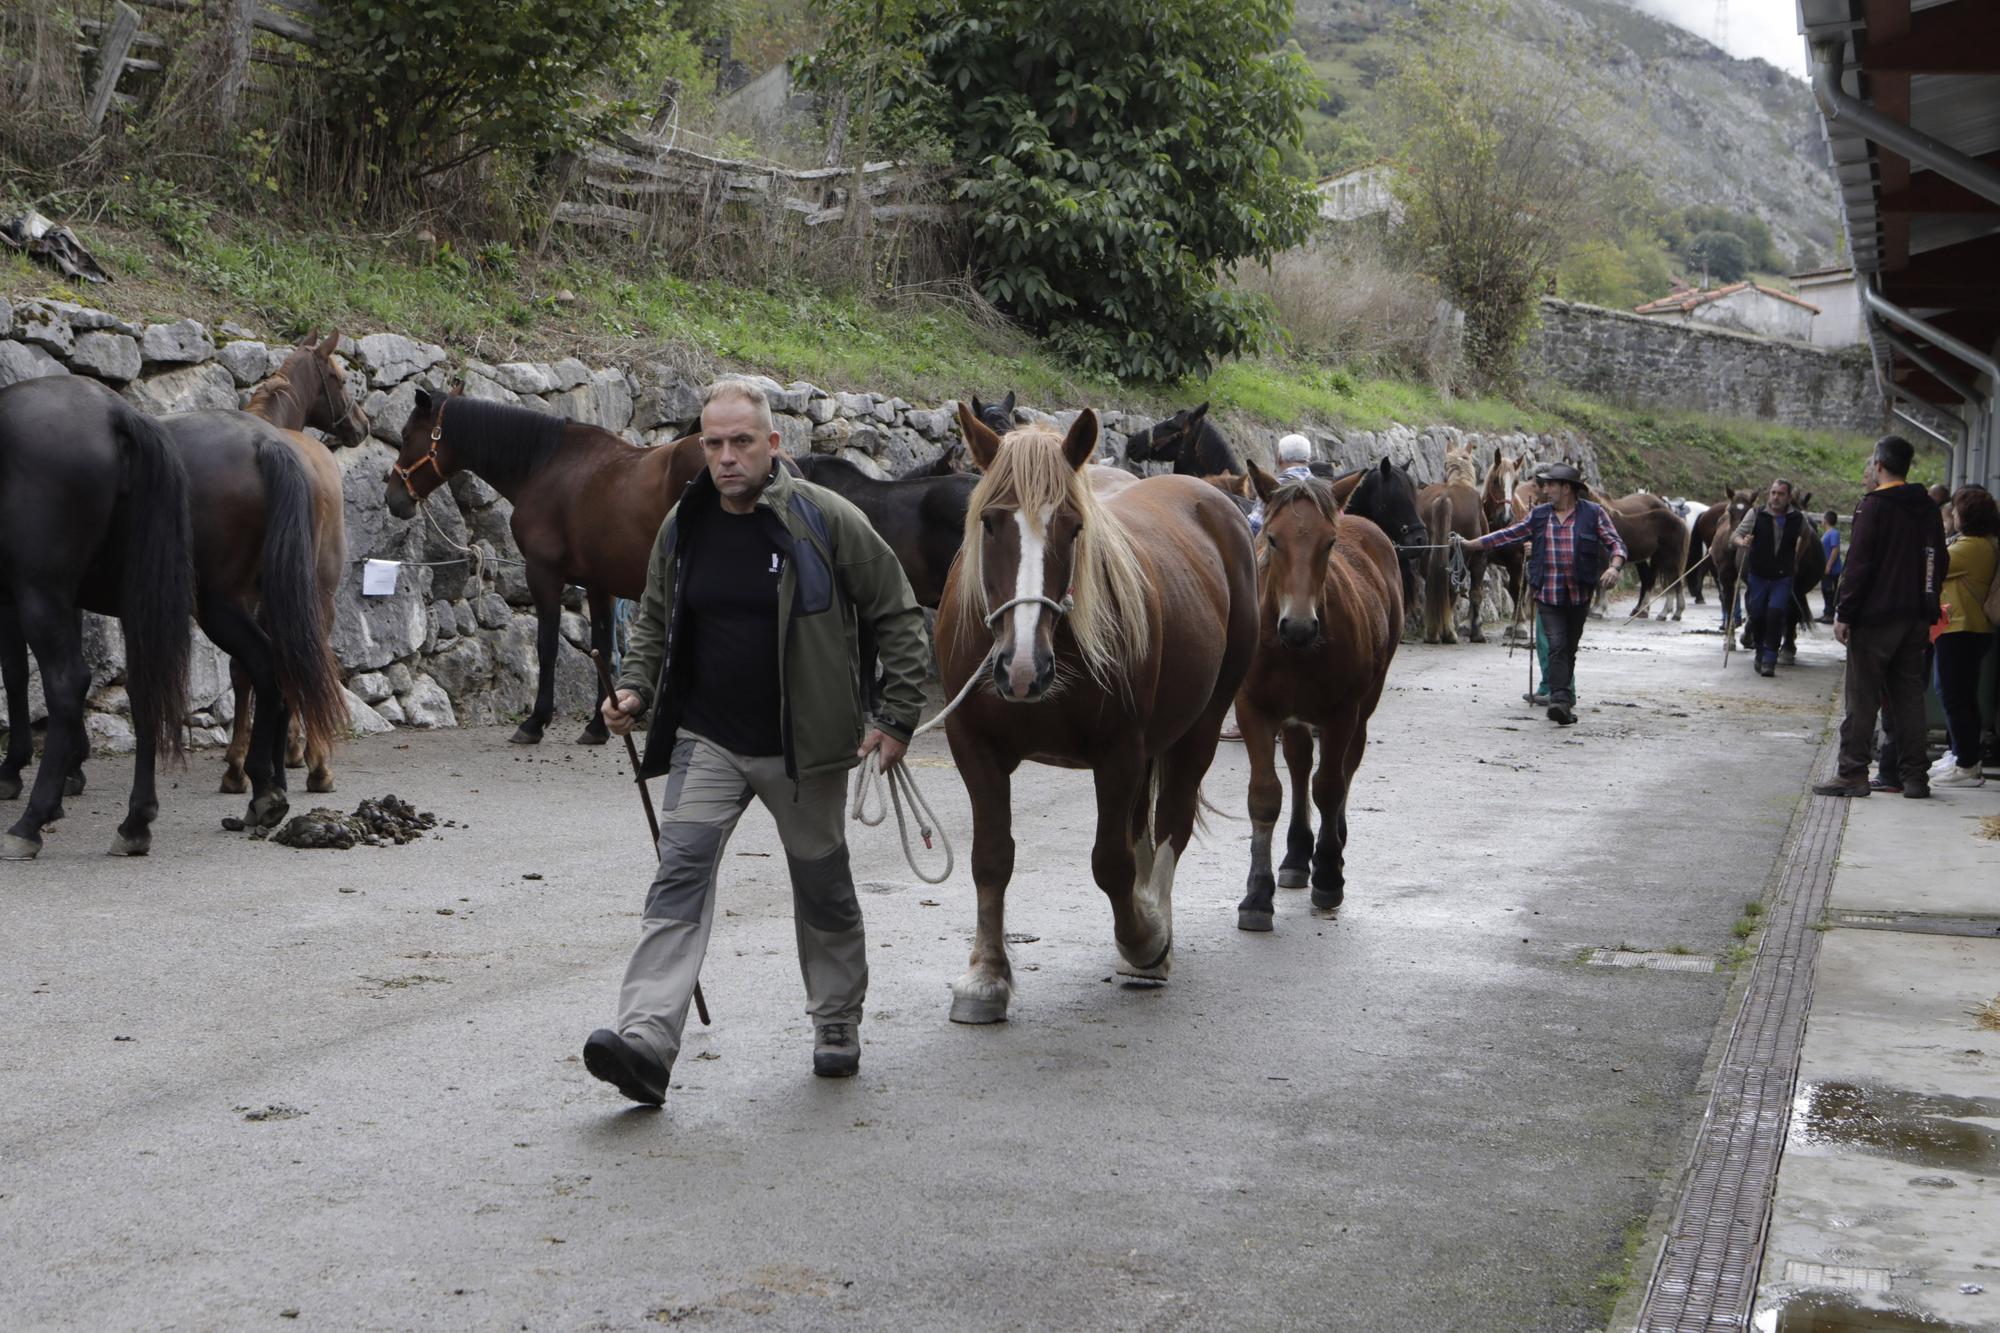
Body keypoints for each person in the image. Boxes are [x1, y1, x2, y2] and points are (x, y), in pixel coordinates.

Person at [584, 378, 930, 1104]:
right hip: (707, 738)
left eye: (742, 442)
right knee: (677, 876)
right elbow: (652, 617)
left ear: (773, 444)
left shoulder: (823, 518)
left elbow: (896, 608)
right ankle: (645, 1039)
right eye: (714, 443)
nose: (727, 457)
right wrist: (635, 689)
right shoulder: (686, 522)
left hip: (803, 748)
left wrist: (896, 716)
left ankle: (836, 1021)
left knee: (822, 886)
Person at [1814, 435, 1947, 800]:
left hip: (1875, 619)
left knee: (1862, 697)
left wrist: (1844, 611)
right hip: (1917, 617)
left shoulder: (1873, 507)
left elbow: (1858, 565)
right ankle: (1916, 778)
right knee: (1909, 699)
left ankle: (1853, 773)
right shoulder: (1927, 507)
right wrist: (1929, 604)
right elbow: (1941, 561)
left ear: (1878, 465)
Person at [1456, 462, 1626, 726]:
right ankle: (1559, 700)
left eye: (1550, 484)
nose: (1544, 488)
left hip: (1580, 595)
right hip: (1548, 593)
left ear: (1567, 489)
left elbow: (1616, 543)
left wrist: (1615, 567)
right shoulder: (1540, 515)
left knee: (1569, 648)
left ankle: (1563, 698)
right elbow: (1507, 535)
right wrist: (1471, 544)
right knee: (1557, 645)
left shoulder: (1593, 514)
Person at [1928, 485, 1999, 788]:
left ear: (1967, 516)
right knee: (1962, 694)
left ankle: (1967, 763)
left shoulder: (1972, 547)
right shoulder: (1981, 543)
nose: (1952, 513)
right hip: (1966, 629)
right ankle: (1961, 753)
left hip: (1962, 629)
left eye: (1956, 509)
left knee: (1953, 694)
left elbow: (1934, 565)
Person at [1731, 478, 1803, 677]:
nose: (1775, 497)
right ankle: (1760, 653)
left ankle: (1769, 659)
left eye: (1780, 494)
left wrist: (1795, 558)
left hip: (1782, 577)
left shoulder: (1797, 518)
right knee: (1758, 615)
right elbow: (1735, 536)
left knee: (1775, 614)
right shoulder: (1755, 514)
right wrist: (1742, 542)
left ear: (1788, 497)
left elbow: (1804, 537)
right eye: (1773, 493)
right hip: (1759, 575)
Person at [1818, 509, 1842, 623]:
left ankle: (1830, 614)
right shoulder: (1827, 533)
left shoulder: (1833, 533)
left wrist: (1829, 565)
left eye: (1823, 518)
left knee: (1829, 590)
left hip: (1832, 569)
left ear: (1826, 520)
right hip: (1825, 567)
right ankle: (1826, 612)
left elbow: (1835, 549)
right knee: (1825, 589)